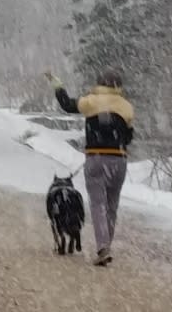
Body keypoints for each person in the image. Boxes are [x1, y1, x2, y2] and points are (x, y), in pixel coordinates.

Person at [44, 70, 134, 266]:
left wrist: (57, 84)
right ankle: (105, 245)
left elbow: (67, 105)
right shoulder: (126, 106)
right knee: (112, 206)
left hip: (96, 158)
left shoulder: (91, 101)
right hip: (119, 161)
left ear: (100, 83)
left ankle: (103, 248)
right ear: (118, 86)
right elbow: (128, 137)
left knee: (98, 204)